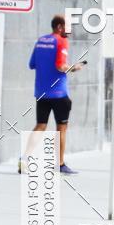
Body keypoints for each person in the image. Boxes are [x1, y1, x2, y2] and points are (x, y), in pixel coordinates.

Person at [22, 15, 85, 174]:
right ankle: (60, 164)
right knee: (61, 129)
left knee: (40, 125)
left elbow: (32, 64)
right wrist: (74, 68)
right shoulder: (62, 41)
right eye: (67, 27)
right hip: (59, 94)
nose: (69, 31)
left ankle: (24, 159)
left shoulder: (41, 40)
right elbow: (60, 66)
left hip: (41, 93)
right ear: (59, 27)